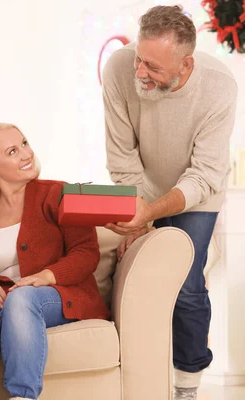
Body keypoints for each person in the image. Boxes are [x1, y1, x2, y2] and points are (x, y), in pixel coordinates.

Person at [102, 6, 237, 400]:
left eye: (153, 67)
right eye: (139, 59)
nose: (140, 72)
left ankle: (187, 385)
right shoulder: (119, 69)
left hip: (196, 195)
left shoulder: (218, 85)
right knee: (130, 274)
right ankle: (139, 378)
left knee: (188, 285)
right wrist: (140, 218)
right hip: (141, 189)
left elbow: (204, 174)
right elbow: (121, 155)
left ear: (185, 63)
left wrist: (154, 213)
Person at [0, 123, 109, 400]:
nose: (27, 154)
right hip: (7, 299)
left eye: (24, 144)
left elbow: (86, 252)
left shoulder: (59, 193)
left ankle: (23, 396)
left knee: (22, 298)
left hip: (59, 295)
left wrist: (47, 276)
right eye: (13, 151)